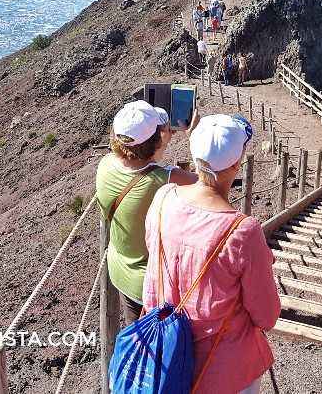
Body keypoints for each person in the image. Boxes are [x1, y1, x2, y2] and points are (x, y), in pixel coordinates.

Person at [142, 114, 280, 394]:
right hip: (221, 368)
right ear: (236, 163)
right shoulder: (242, 231)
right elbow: (267, 315)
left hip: (161, 354)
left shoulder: (164, 197)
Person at [95, 101, 199, 324]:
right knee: (159, 348)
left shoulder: (105, 165)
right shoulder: (166, 178)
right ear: (156, 139)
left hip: (120, 270)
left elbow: (137, 162)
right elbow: (209, 186)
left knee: (139, 339)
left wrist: (157, 142)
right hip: (151, 285)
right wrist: (192, 139)